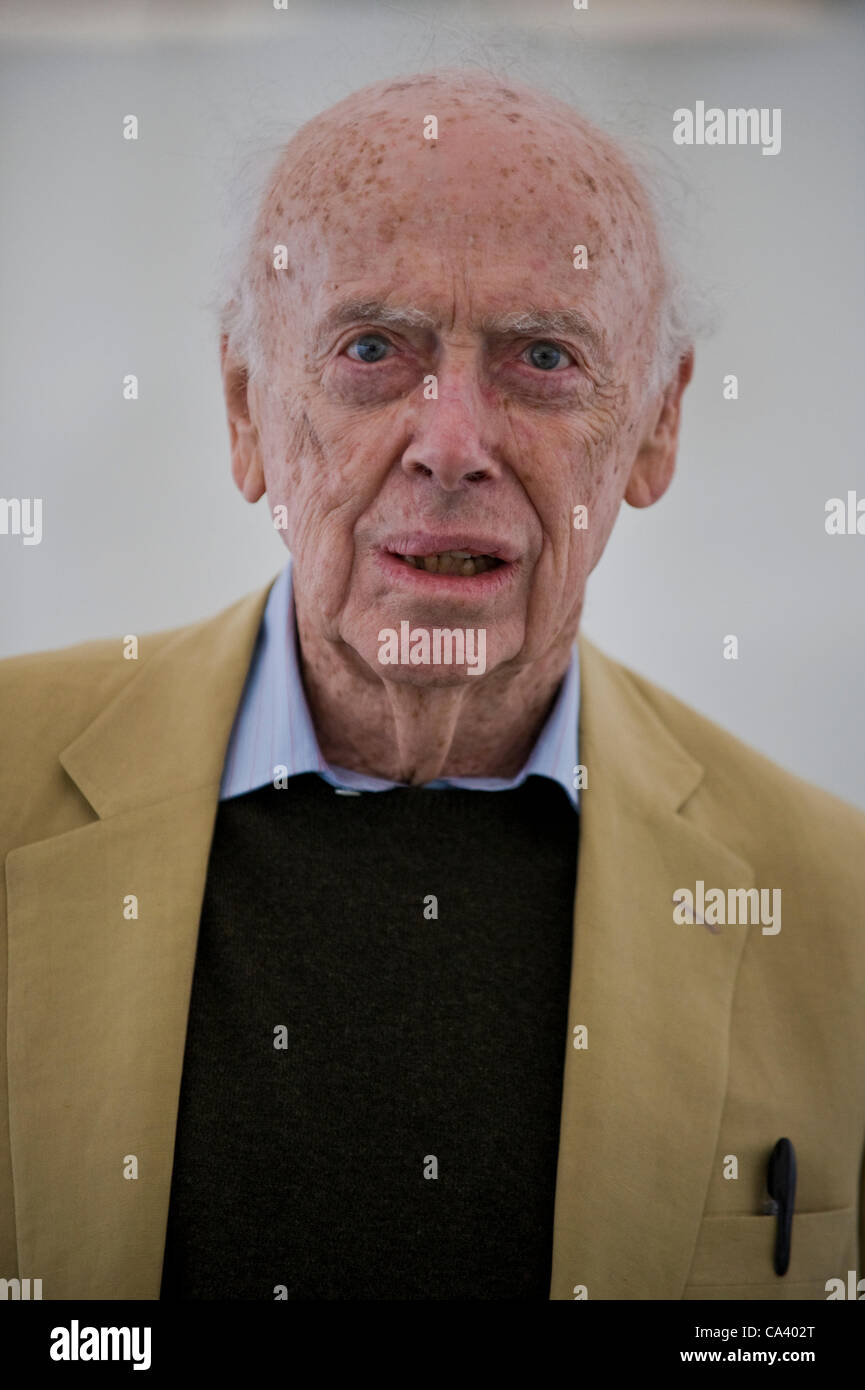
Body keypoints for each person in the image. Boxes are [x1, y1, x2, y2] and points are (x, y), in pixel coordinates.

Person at [1, 69, 863, 1302]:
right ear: (245, 408)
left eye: (545, 358)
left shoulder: (837, 912)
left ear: (658, 428)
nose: (451, 442)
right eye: (369, 348)